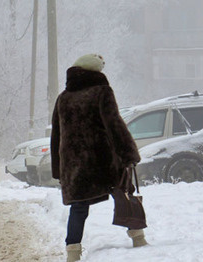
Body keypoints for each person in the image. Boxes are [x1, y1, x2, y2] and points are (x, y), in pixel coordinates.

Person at [50, 54, 147, 262]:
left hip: (74, 164)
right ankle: (138, 238)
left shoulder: (63, 98)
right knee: (124, 192)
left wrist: (58, 168)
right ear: (96, 72)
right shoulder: (102, 92)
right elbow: (114, 125)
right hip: (103, 159)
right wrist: (128, 153)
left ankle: (72, 253)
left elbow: (56, 136)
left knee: (79, 207)